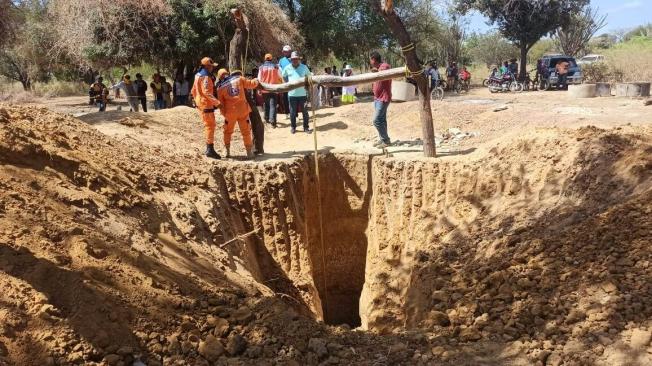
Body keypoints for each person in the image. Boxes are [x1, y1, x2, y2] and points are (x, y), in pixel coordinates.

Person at [216, 69, 259, 159]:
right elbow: (251, 84)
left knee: (227, 132)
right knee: (246, 132)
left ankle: (227, 151)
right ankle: (249, 152)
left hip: (230, 112)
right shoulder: (239, 78)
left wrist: (225, 114)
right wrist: (256, 80)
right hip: (243, 110)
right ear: (227, 73)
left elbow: (221, 104)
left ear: (219, 77)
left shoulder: (220, 88)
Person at [190, 57, 222, 159]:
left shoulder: (198, 75)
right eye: (212, 66)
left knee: (208, 125)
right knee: (210, 126)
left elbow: (193, 90)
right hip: (206, 104)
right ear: (207, 66)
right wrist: (217, 103)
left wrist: (196, 101)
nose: (213, 68)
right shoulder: (206, 77)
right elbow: (207, 92)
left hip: (201, 103)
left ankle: (209, 148)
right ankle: (210, 149)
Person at [282, 51, 312, 134]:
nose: (294, 60)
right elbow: (283, 75)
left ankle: (306, 127)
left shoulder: (304, 67)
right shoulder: (287, 67)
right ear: (291, 60)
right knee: (292, 112)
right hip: (292, 95)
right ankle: (293, 127)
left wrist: (307, 87)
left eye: (296, 59)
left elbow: (309, 77)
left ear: (299, 59)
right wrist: (286, 84)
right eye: (293, 59)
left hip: (302, 94)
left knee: (305, 112)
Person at [369, 51, 392, 148]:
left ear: (374, 59)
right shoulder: (378, 68)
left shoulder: (384, 66)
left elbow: (383, 71)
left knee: (376, 120)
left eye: (370, 59)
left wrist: (376, 72)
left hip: (383, 98)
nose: (370, 62)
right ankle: (383, 139)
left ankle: (386, 140)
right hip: (377, 98)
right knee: (382, 120)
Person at [257, 53, 282, 128]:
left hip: (264, 89)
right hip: (273, 89)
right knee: (273, 105)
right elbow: (280, 76)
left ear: (265, 59)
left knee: (266, 104)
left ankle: (266, 118)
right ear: (271, 59)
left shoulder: (261, 68)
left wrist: (259, 89)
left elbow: (259, 79)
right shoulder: (275, 67)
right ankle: (273, 122)